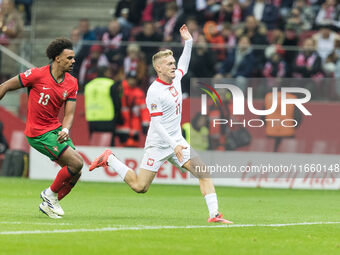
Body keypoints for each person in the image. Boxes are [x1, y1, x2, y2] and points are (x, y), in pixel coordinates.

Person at [89, 25, 232, 224]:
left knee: (203, 172)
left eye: (173, 62)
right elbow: (155, 123)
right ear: (158, 68)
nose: (173, 66)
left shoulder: (176, 80)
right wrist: (172, 144)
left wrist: (189, 42)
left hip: (177, 142)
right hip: (158, 144)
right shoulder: (154, 91)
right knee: (140, 187)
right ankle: (110, 158)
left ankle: (214, 215)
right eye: (169, 64)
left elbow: (184, 63)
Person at [0, 38, 83, 219]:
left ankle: (50, 203)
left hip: (56, 129)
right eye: (69, 58)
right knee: (77, 163)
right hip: (38, 132)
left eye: (73, 58)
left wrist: (66, 130)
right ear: (57, 59)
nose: (73, 61)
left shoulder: (72, 83)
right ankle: (50, 195)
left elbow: (69, 114)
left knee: (76, 173)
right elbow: (5, 86)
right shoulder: (36, 75)